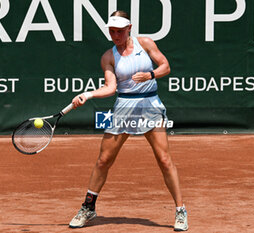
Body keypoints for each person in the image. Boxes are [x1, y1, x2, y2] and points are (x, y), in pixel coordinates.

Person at [69, 10, 188, 231]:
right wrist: (89, 95)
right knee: (104, 160)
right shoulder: (108, 56)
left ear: (129, 28)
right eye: (112, 31)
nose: (115, 35)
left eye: (120, 31)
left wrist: (149, 75)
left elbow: (166, 66)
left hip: (150, 106)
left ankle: (180, 210)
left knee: (164, 160)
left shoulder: (146, 43)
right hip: (124, 108)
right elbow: (111, 87)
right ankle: (88, 207)